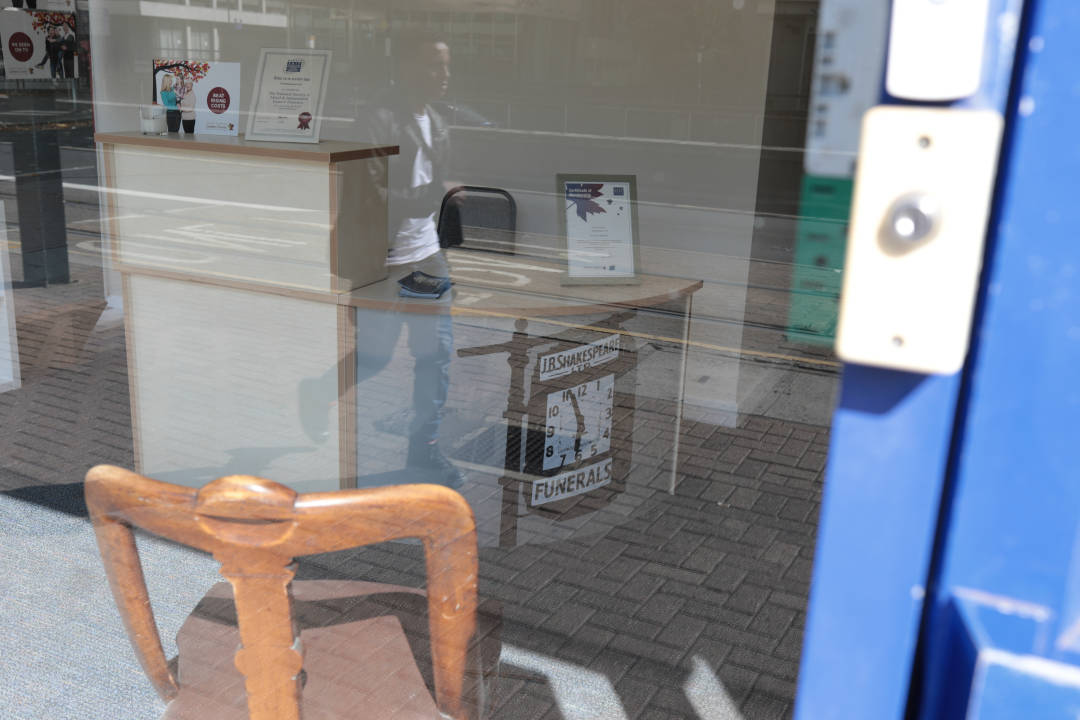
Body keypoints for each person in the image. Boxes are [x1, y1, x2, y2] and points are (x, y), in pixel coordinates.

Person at [300, 32, 463, 488]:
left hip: (426, 255)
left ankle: (424, 451)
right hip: (384, 260)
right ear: (407, 67)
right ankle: (315, 393)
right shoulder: (376, 120)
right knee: (375, 356)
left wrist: (440, 202)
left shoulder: (436, 120)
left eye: (447, 66)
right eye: (434, 65)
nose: (444, 75)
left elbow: (426, 192)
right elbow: (371, 197)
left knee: (437, 356)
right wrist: (435, 193)